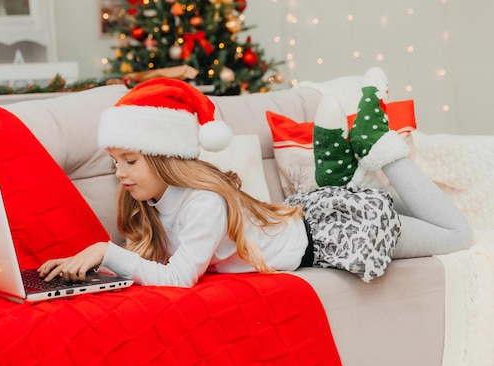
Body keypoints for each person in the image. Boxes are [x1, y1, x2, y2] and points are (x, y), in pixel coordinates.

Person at [38, 72, 473, 286]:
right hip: (315, 215)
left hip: (337, 233)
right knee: (398, 207)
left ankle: (384, 150)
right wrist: (97, 267)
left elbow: (179, 278)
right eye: (115, 161)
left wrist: (104, 250)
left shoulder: (203, 202)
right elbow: (151, 263)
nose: (119, 174)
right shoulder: (153, 202)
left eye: (129, 161)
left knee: (456, 234)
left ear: (165, 157)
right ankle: (371, 156)